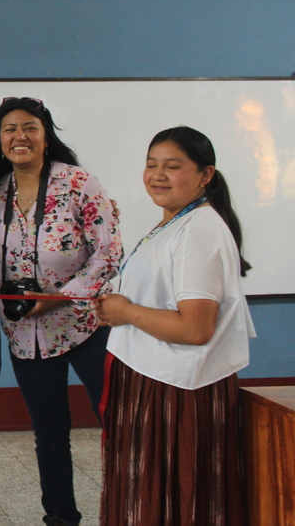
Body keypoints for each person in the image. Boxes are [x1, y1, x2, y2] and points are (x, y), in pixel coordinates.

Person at [96, 126, 255, 526]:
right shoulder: (172, 223)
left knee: (171, 501)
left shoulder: (200, 229)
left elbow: (196, 328)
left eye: (173, 166)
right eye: (151, 165)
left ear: (206, 175)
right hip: (152, 379)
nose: (157, 175)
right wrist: (117, 307)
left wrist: (127, 312)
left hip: (176, 391)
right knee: (146, 495)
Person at [0, 97, 121, 526]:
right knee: (49, 436)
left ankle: (131, 510)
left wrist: (63, 295)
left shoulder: (78, 182)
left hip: (85, 326)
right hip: (26, 336)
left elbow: (108, 252)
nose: (19, 136)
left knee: (119, 425)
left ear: (46, 136)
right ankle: (60, 517)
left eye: (30, 127)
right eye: (10, 129)